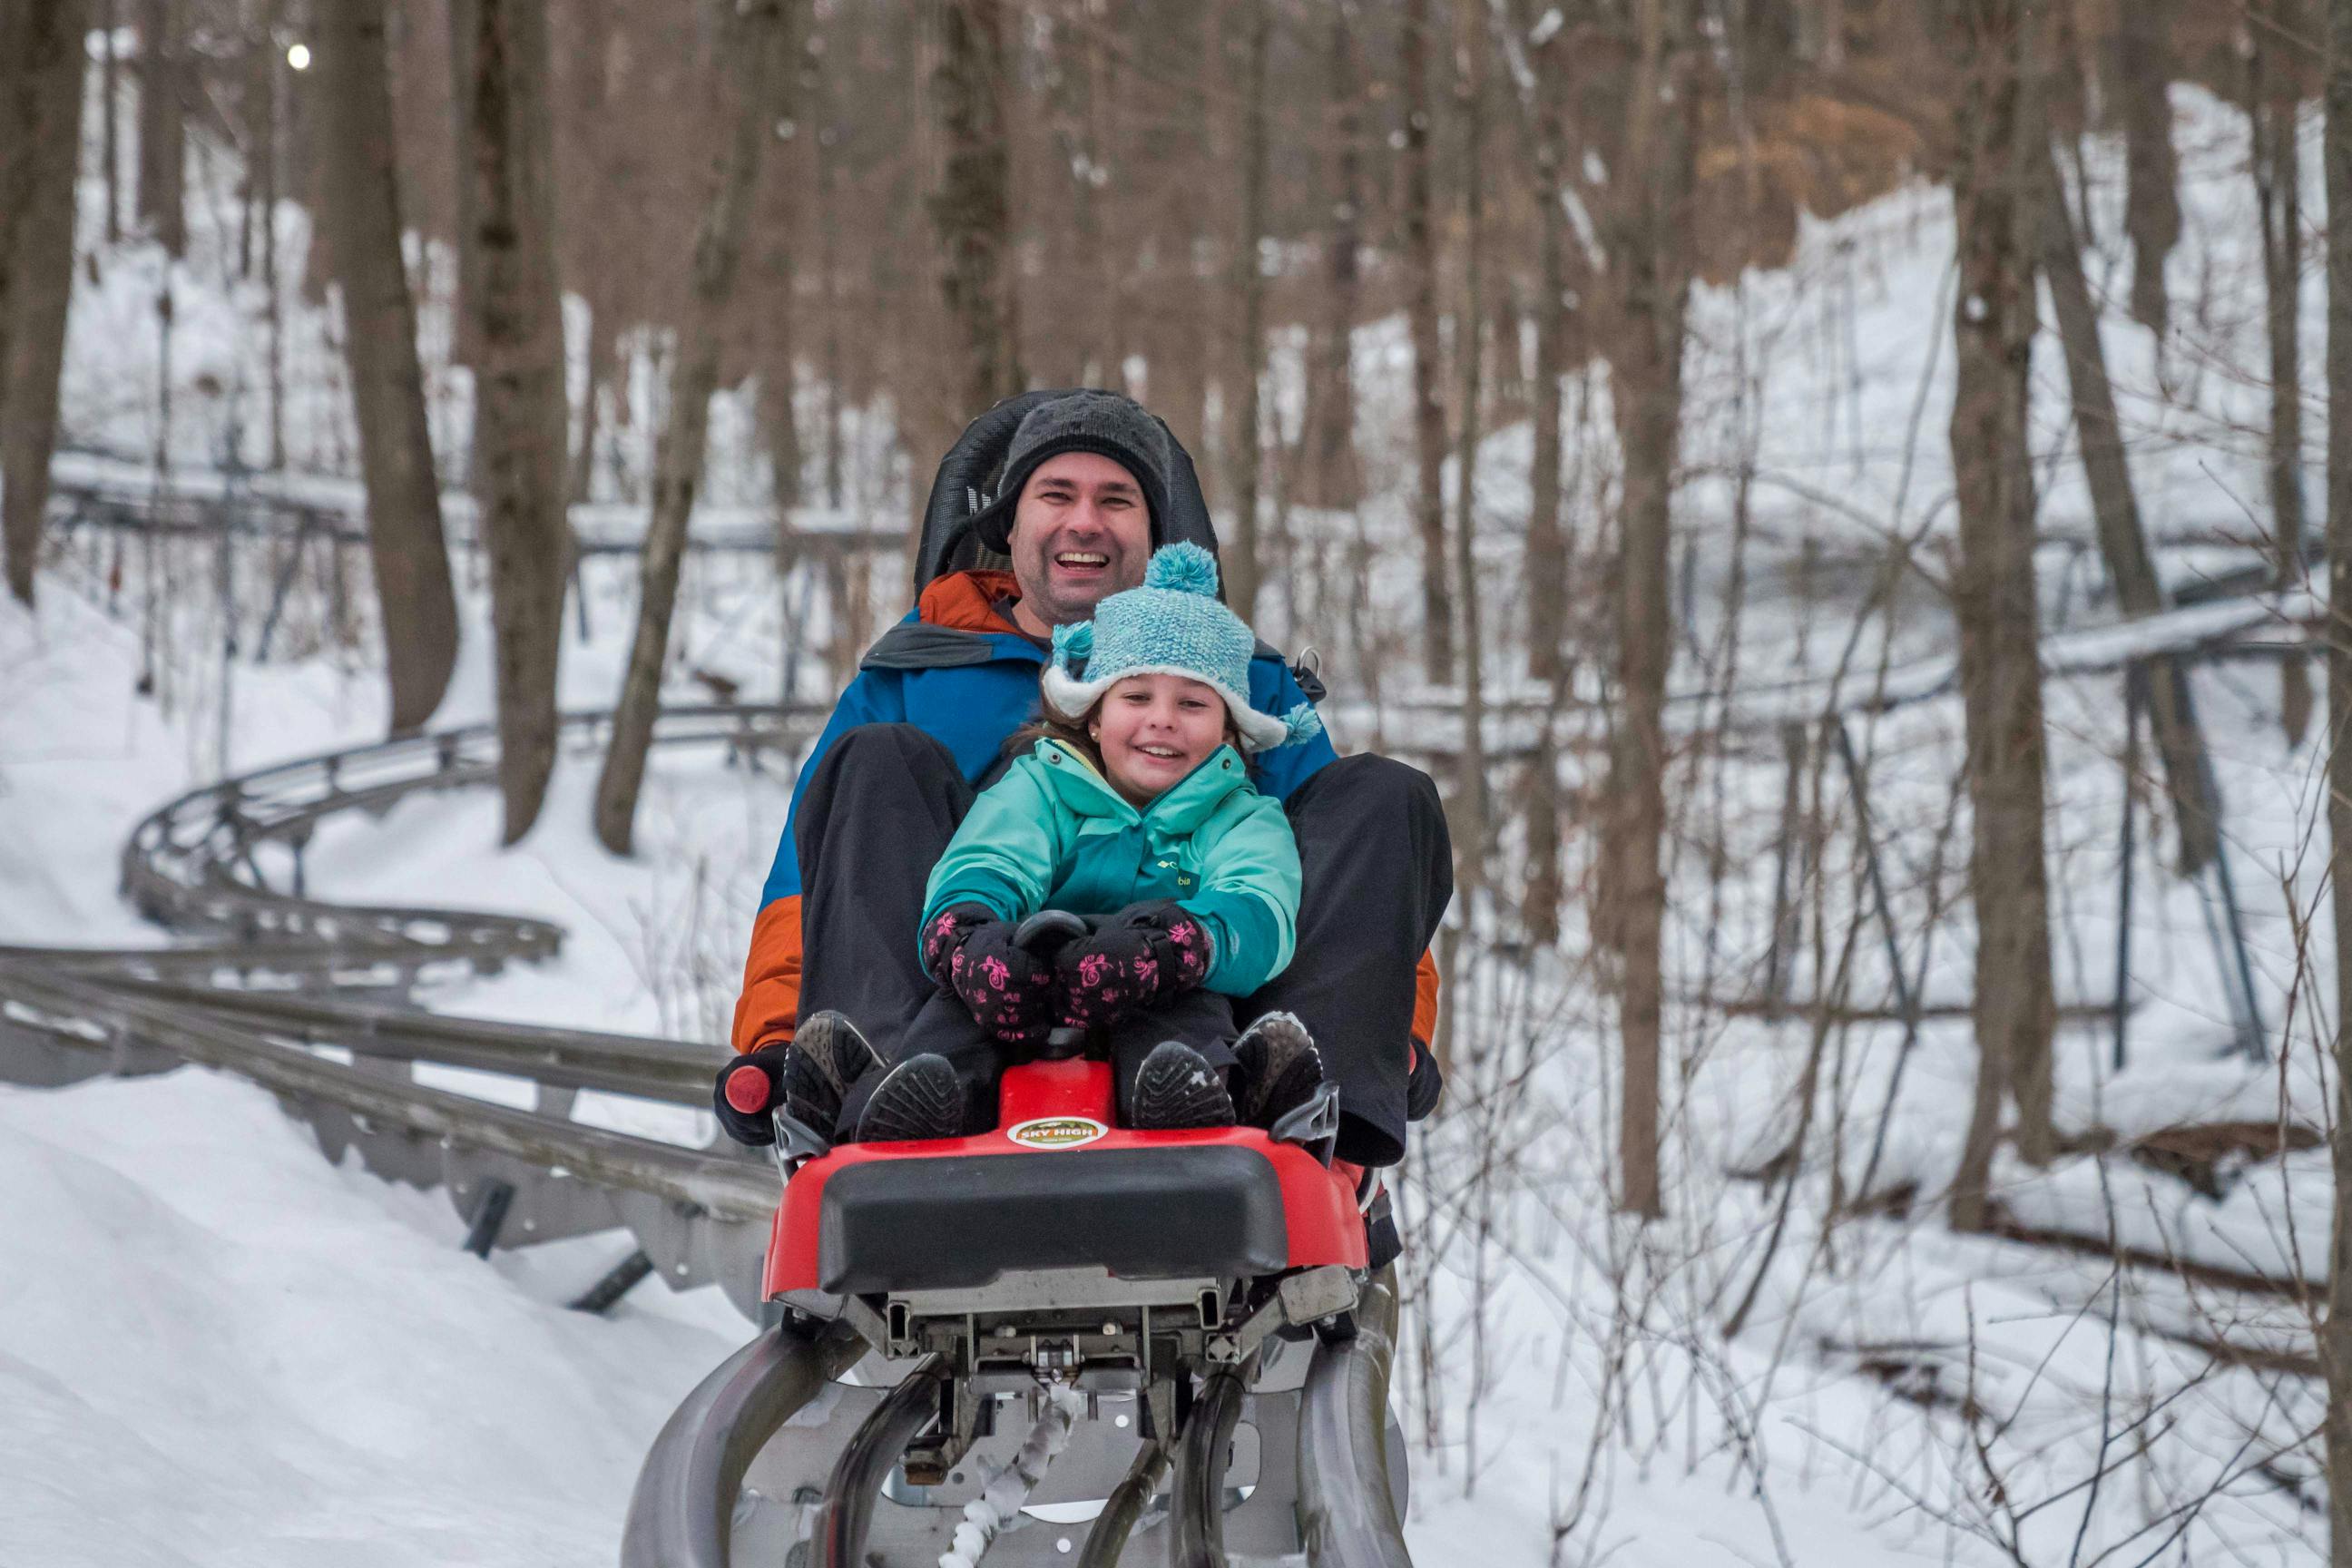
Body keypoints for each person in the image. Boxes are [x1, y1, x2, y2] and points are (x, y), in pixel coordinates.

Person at [716, 388, 1452, 1167]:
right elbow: (811, 885)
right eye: (1056, 494)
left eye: (1117, 500)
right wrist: (775, 1040)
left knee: (1385, 793)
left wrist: (1390, 1028)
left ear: (1156, 532)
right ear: (1011, 522)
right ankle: (882, 1084)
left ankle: (1304, 1090)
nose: (1084, 521)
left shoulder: (1249, 684)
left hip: (1201, 1008)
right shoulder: (911, 680)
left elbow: (1359, 878)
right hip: (962, 996)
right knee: (870, 761)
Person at [823, 542, 1331, 1142]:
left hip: (1159, 984)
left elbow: (1260, 904)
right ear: (1094, 715)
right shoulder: (1045, 783)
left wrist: (1179, 947)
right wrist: (967, 935)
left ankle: (1187, 1096)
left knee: (1190, 1016)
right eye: (1136, 697)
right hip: (1029, 984)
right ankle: (928, 1097)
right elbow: (993, 855)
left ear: (1227, 732)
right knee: (953, 1014)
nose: (1162, 719)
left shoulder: (1240, 815)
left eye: (1192, 704)